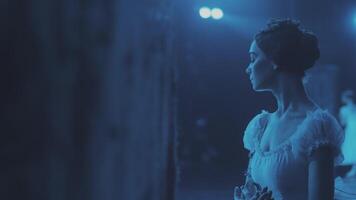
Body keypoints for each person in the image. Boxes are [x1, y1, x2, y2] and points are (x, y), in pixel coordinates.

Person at [234, 19, 344, 200]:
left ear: (275, 60)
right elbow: (252, 189)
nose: (248, 68)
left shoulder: (316, 128)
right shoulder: (260, 126)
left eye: (253, 59)